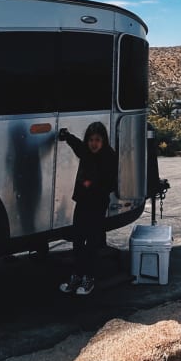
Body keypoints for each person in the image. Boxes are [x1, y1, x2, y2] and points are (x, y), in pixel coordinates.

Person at [57, 122, 118, 296]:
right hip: (83, 202)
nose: (94, 143)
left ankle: (89, 278)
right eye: (91, 140)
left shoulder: (109, 156)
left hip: (97, 204)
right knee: (78, 240)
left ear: (103, 140)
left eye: (97, 140)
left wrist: (90, 185)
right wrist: (66, 135)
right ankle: (76, 275)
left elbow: (110, 184)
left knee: (92, 242)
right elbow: (76, 144)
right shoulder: (85, 151)